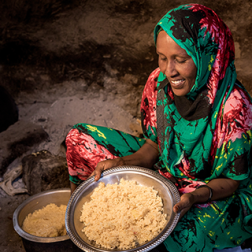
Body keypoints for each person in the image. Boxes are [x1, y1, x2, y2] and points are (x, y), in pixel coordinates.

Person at [65, 3, 252, 252]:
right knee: (80, 139)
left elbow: (231, 182)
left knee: (184, 230)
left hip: (212, 189)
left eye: (181, 60)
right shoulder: (159, 83)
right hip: (167, 169)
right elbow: (154, 143)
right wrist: (126, 162)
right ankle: (85, 224)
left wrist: (194, 197)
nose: (168, 70)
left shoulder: (234, 108)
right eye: (162, 57)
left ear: (206, 56)